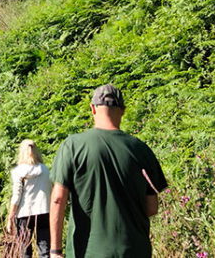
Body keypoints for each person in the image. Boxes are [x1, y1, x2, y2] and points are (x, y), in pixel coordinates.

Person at [49, 84, 168, 258]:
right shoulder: (141, 149)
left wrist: (55, 250)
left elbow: (58, 199)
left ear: (93, 109)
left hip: (88, 251)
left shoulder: (73, 146)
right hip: (134, 250)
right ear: (123, 111)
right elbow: (152, 208)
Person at [7, 139, 52, 258]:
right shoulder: (45, 169)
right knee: (44, 248)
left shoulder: (18, 171)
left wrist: (10, 217)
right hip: (44, 211)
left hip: (24, 213)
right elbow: (49, 190)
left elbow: (16, 196)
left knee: (24, 249)